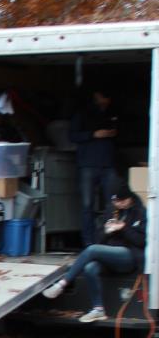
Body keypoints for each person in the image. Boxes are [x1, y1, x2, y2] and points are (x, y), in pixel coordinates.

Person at [42, 180, 146, 323]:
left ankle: (62, 283)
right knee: (90, 268)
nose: (118, 204)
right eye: (115, 201)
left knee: (92, 249)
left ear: (129, 198)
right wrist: (106, 231)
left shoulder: (140, 212)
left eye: (121, 201)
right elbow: (98, 238)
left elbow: (141, 241)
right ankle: (98, 308)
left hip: (129, 256)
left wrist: (123, 228)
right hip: (109, 255)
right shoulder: (112, 210)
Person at [70, 89, 119, 247]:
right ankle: (88, 242)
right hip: (87, 164)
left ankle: (110, 240)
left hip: (108, 164)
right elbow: (72, 136)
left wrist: (113, 133)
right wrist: (93, 134)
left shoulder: (112, 113)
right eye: (102, 97)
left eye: (106, 98)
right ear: (96, 97)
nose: (104, 101)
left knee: (113, 204)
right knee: (87, 206)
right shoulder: (82, 113)